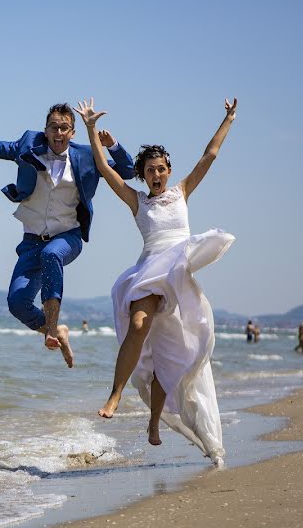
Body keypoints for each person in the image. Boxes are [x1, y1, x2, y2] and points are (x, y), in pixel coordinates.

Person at [75, 96, 237, 465]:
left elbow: (208, 156)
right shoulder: (137, 202)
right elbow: (105, 170)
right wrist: (89, 130)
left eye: (162, 168)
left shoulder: (182, 193)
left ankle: (154, 423)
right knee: (138, 324)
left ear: (168, 169)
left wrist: (228, 118)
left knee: (172, 356)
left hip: (177, 277)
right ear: (143, 174)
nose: (157, 174)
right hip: (149, 271)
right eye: (150, 170)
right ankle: (115, 395)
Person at [0, 104, 135, 367]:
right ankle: (55, 332)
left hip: (68, 237)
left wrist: (113, 145)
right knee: (17, 303)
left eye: (64, 128)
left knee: (52, 253)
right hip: (32, 241)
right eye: (53, 127)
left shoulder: (88, 156)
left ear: (73, 132)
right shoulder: (27, 147)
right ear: (45, 130)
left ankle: (53, 327)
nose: (58, 132)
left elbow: (128, 171)